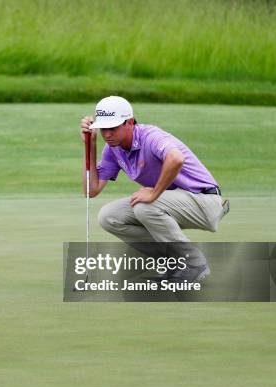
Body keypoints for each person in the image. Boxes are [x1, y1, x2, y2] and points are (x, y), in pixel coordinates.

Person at [80, 96, 229, 283]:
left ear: (130, 122)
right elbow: (91, 191)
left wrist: (154, 192)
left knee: (145, 207)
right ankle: (175, 262)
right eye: (103, 129)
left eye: (113, 128)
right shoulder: (113, 149)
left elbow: (176, 158)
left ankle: (193, 264)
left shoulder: (151, 136)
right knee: (109, 217)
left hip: (204, 200)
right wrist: (90, 146)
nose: (107, 134)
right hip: (175, 202)